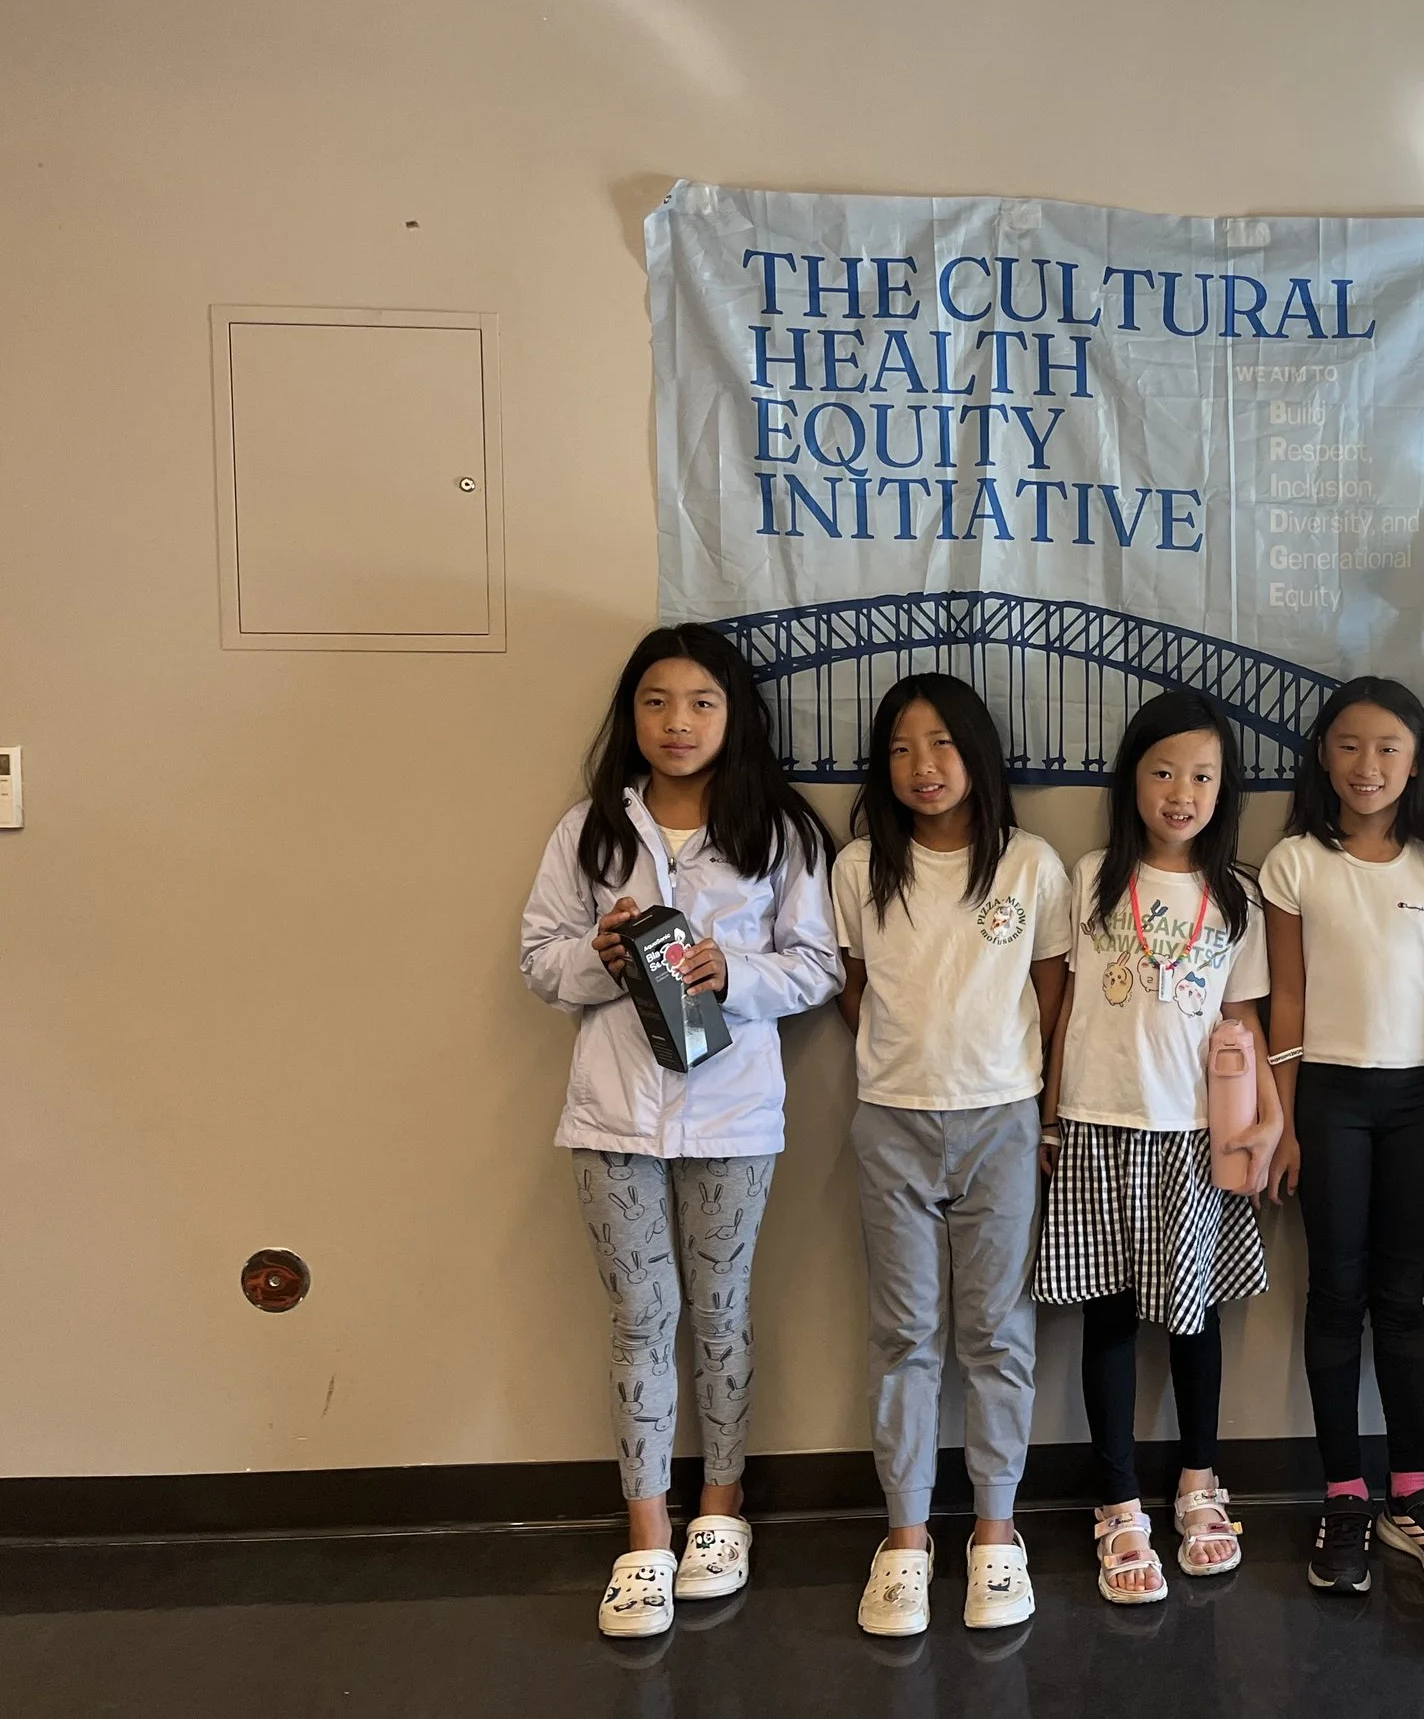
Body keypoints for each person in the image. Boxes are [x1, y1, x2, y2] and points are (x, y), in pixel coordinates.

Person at [519, 624, 841, 1639]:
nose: (678, 723)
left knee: (721, 1313)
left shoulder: (778, 833)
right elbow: (537, 960)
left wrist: (732, 976)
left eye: (701, 702)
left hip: (734, 1117)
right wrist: (600, 958)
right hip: (613, 1116)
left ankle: (722, 1509)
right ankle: (646, 1532)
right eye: (657, 702)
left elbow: (822, 965)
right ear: (632, 715)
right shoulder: (589, 830)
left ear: (734, 713)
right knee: (639, 1320)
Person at [1034, 688, 1286, 1606]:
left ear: (1227, 788)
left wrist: (1264, 1126)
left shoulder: (1237, 896)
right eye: (1164, 770)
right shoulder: (1093, 873)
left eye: (1204, 775)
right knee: (1106, 1316)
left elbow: (1244, 1019)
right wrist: (1052, 1114)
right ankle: (1117, 1500)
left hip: (1193, 1137)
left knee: (1193, 1317)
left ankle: (1197, 1482)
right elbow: (1058, 1011)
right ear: (1131, 777)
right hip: (1100, 1127)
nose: (1183, 791)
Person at [836, 674, 1071, 1637]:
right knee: (905, 1337)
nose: (922, 766)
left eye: (941, 744)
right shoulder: (860, 866)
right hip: (890, 1120)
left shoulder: (1029, 864)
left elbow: (1052, 997)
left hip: (1005, 1122)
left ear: (978, 753)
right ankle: (904, 1536)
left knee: (998, 1335)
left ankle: (995, 1531)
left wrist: (1034, 1106)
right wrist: (901, 1060)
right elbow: (849, 988)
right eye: (899, 748)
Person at [1262, 676, 1424, 1595]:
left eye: (1389, 747)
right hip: (1329, 1101)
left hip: (1421, 1102)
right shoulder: (1294, 862)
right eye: (1349, 744)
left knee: (1402, 1297)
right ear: (1324, 754)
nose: (1368, 764)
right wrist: (1280, 1118)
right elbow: (1288, 999)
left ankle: (1412, 1494)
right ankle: (1344, 1496)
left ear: (1416, 760)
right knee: (1337, 1292)